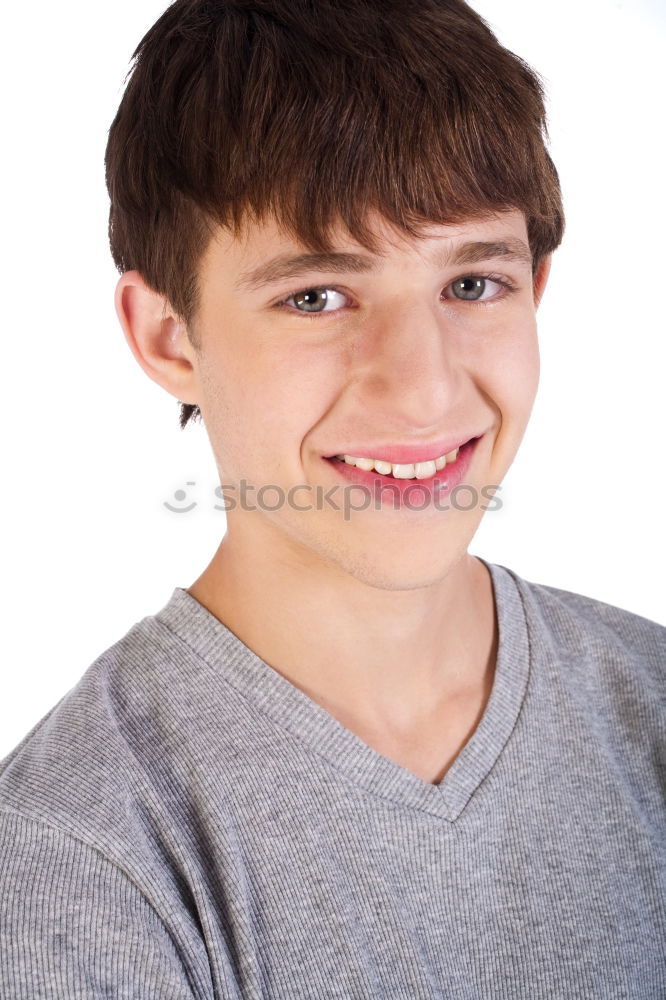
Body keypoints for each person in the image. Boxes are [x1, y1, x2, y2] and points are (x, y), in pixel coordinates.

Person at [1, 0, 664, 996]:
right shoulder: (77, 856)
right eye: (316, 296)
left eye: (473, 283)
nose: (426, 385)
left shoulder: (648, 706)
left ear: (537, 286)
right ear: (169, 337)